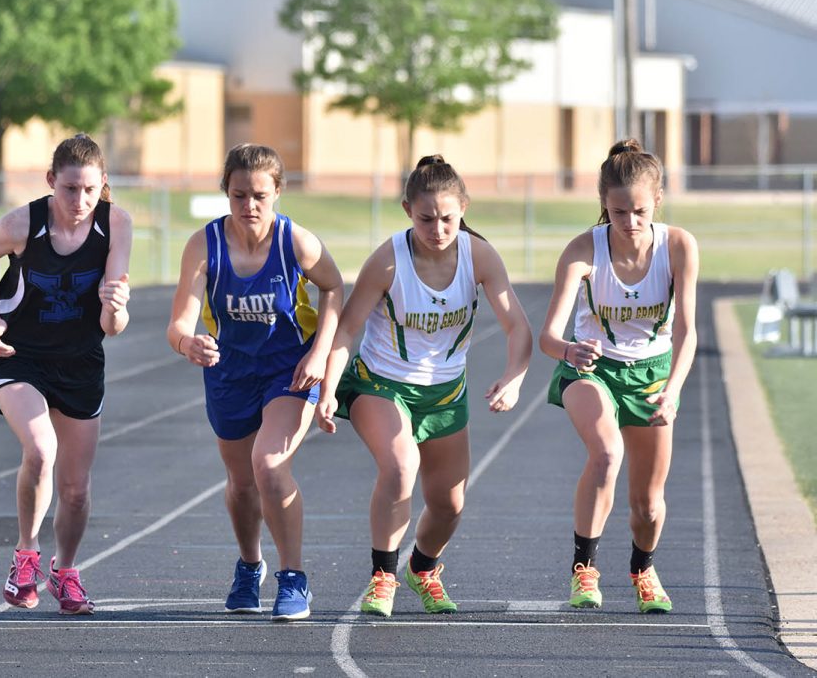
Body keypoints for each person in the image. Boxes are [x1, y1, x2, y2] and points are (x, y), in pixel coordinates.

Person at [317, 155, 532, 618]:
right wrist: (329, 389)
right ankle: (383, 576)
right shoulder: (388, 261)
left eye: (448, 219)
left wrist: (515, 377)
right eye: (426, 219)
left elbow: (518, 327)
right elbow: (347, 329)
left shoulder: (480, 256)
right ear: (407, 211)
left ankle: (423, 567)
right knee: (400, 465)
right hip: (381, 384)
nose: (438, 229)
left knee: (449, 503)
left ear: (464, 209)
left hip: (445, 393)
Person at [167, 143, 343, 621]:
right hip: (229, 373)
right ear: (226, 192)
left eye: (260, 196)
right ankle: (250, 566)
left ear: (278, 193)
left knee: (269, 466)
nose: (249, 206)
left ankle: (294, 578)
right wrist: (189, 344)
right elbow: (178, 323)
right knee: (242, 482)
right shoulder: (204, 246)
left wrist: (320, 351)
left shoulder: (296, 242)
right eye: (239, 195)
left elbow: (333, 286)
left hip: (287, 370)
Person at [0, 133, 133, 615]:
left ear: (103, 184)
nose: (79, 201)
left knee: (77, 489)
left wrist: (117, 308)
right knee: (41, 449)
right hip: (19, 353)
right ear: (51, 183)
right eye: (69, 189)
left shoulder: (116, 224)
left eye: (89, 190)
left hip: (81, 360)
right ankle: (25, 555)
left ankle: (66, 571)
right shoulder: (22, 222)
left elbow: (113, 327)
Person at [539, 138, 699, 613]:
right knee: (607, 453)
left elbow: (688, 332)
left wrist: (672, 391)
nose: (629, 223)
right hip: (593, 370)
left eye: (639, 212)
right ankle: (584, 569)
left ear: (658, 202)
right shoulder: (583, 250)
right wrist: (569, 348)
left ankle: (643, 569)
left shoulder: (679, 246)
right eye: (617, 212)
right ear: (603, 205)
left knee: (648, 504)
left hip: (653, 374)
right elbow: (548, 336)